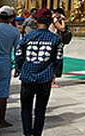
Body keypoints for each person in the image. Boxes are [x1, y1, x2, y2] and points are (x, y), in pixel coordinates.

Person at [15, 8, 63, 136]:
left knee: (26, 108)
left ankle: (27, 132)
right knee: (40, 110)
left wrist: (20, 68)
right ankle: (37, 134)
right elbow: (58, 58)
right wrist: (54, 72)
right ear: (50, 22)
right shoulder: (55, 39)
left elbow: (19, 55)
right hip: (45, 77)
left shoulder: (27, 37)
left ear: (36, 21)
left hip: (27, 76)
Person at [49, 8, 69, 88]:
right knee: (55, 60)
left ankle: (52, 80)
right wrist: (63, 20)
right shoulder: (55, 19)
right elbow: (62, 28)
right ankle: (52, 81)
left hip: (54, 41)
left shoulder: (53, 19)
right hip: (54, 42)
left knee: (54, 60)